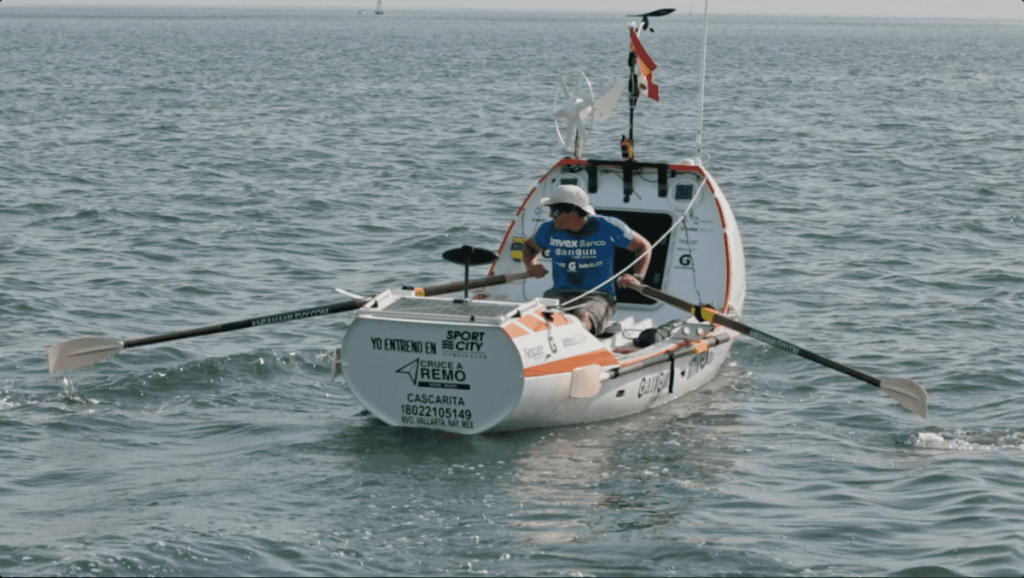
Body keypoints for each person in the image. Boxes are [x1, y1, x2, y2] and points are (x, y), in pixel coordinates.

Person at [522, 184, 652, 335]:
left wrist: (637, 277)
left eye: (555, 210)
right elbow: (529, 247)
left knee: (582, 318)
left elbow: (643, 246)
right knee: (538, 319)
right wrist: (531, 265)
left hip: (599, 296)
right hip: (559, 293)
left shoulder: (607, 226)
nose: (551, 215)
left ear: (573, 212)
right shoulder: (548, 229)